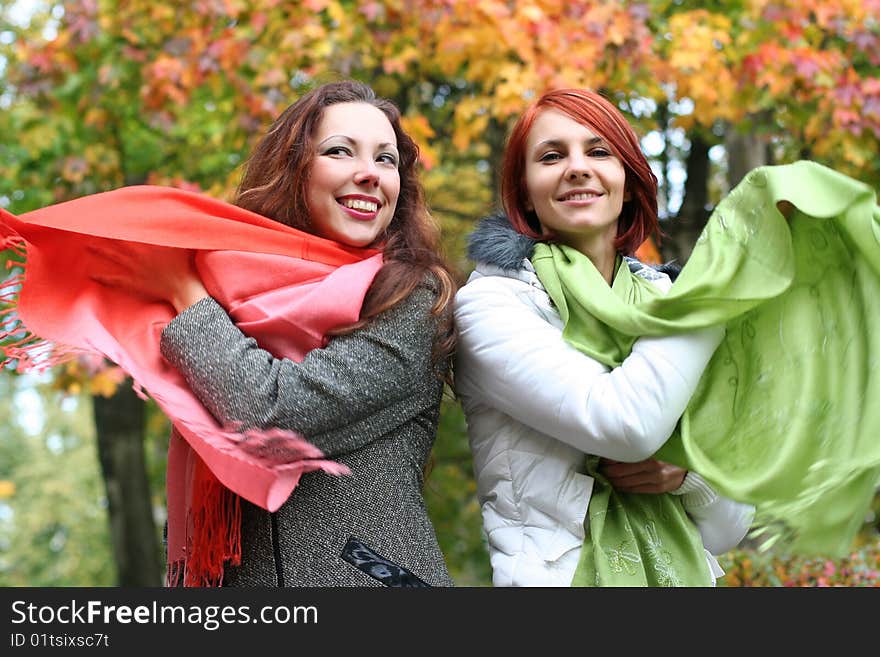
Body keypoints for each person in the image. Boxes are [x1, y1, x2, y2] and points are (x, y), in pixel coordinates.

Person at [3, 80, 458, 587]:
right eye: (339, 152)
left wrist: (182, 289)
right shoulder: (232, 293)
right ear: (295, 169)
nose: (369, 175)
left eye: (386, 160)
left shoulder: (413, 295)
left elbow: (273, 414)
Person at [453, 88, 755, 587]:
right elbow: (622, 423)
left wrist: (688, 475)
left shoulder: (665, 298)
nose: (577, 167)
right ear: (526, 190)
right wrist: (706, 303)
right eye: (552, 156)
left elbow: (729, 526)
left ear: (629, 182)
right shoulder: (494, 303)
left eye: (598, 152)